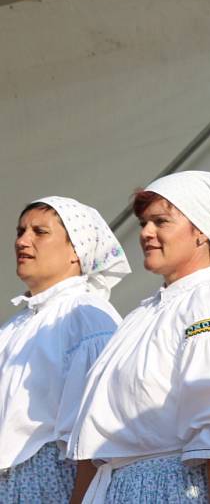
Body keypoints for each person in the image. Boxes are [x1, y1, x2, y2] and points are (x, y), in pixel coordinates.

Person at [67, 171, 210, 504]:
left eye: (160, 222)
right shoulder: (143, 314)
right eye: (143, 223)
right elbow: (96, 437)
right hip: (125, 488)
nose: (146, 233)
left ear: (202, 232)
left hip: (180, 488)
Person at [0, 196, 129, 503]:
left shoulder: (87, 317)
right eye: (21, 231)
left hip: (52, 483)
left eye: (39, 232)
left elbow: (96, 436)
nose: (23, 241)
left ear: (76, 250)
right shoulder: (15, 325)